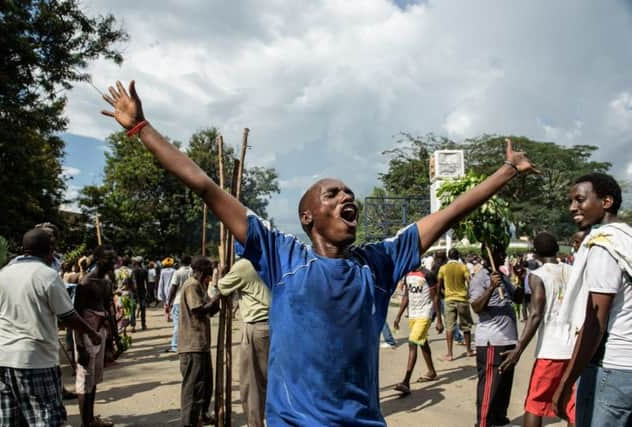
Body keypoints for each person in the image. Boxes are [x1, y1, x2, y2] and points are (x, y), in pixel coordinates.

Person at [100, 80, 534, 425]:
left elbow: (451, 211)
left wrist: (507, 170)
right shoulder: (282, 256)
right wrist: (142, 129)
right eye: (333, 193)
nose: (348, 196)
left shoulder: (378, 264)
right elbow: (204, 185)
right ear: (307, 217)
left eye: (349, 192)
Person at [0, 229, 102, 426]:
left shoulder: (3, 275)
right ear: (50, 250)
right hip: (36, 359)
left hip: (2, 359)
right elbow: (68, 316)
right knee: (46, 419)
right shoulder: (47, 275)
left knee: (7, 420)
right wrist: (92, 333)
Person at [552, 173, 632, 426]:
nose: (572, 207)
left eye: (580, 200)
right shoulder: (626, 240)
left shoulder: (604, 247)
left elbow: (596, 321)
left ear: (606, 202)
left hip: (612, 369)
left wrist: (565, 383)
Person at [498, 233, 575, 427]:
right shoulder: (574, 271)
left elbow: (535, 314)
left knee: (535, 404)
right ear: (557, 248)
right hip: (575, 348)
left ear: (536, 254)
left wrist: (518, 349)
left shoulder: (538, 276)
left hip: (551, 350)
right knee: (573, 406)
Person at [215, 258, 271, 427]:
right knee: (267, 378)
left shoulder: (244, 265)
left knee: (252, 381)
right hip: (272, 323)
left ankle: (255, 424)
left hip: (257, 325)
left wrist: (219, 272)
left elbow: (221, 287)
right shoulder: (268, 259)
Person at [469, 246, 519, 427]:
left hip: (509, 339)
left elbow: (518, 298)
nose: (503, 255)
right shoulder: (479, 278)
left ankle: (499, 421)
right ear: (486, 256)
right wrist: (491, 287)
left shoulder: (503, 277)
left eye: (503, 252)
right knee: (489, 386)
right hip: (492, 341)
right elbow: (476, 307)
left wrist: (521, 278)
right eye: (499, 252)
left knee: (504, 386)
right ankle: (483, 423)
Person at [74, 244, 116, 427]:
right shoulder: (85, 283)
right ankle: (85, 422)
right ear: (99, 260)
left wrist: (113, 338)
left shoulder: (106, 282)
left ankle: (91, 420)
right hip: (87, 336)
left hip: (101, 333)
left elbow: (108, 309)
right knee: (84, 381)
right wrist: (80, 346)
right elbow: (75, 316)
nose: (113, 263)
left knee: (94, 380)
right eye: (110, 259)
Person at [177, 256, 218, 426]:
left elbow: (210, 310)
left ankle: (202, 415)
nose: (209, 278)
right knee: (192, 387)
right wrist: (218, 296)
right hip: (191, 345)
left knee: (205, 384)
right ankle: (189, 422)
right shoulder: (192, 285)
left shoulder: (200, 286)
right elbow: (199, 310)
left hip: (200, 344)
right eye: (208, 275)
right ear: (200, 272)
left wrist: (217, 297)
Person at [392, 266, 442, 395]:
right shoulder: (407, 274)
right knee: (422, 341)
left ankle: (406, 382)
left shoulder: (428, 274)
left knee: (412, 342)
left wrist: (439, 320)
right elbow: (406, 296)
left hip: (425, 314)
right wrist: (398, 316)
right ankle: (431, 372)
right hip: (412, 314)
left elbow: (435, 297)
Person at [438, 248, 474, 360]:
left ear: (448, 256)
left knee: (449, 327)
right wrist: (468, 294)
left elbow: (439, 285)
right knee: (466, 326)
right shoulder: (463, 267)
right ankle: (468, 350)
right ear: (458, 256)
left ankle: (450, 353)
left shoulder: (443, 268)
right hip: (462, 299)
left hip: (449, 299)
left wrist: (445, 293)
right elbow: (470, 282)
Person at [167, 256, 192, 353]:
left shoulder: (177, 273)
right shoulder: (192, 272)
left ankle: (175, 345)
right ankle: (187, 343)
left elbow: (173, 287)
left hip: (178, 301)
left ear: (181, 262)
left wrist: (169, 302)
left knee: (177, 324)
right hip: (190, 301)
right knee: (188, 323)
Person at [132, 259, 148, 331]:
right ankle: (143, 325)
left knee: (133, 309)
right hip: (142, 292)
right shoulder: (144, 271)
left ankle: (133, 326)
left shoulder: (133, 271)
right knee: (143, 309)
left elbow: (133, 282)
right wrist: (147, 292)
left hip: (134, 292)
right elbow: (146, 283)